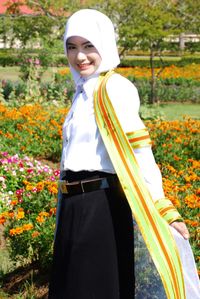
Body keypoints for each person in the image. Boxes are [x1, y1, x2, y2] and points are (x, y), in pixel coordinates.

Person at [48, 9, 200, 299]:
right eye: (72, 47)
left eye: (88, 46)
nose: (80, 57)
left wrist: (164, 208)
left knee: (92, 289)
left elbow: (140, 153)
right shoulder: (81, 93)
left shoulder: (114, 88)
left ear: (104, 44)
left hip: (99, 205)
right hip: (73, 205)